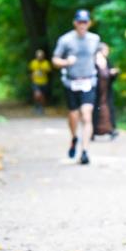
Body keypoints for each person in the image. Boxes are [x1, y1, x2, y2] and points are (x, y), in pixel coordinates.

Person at [52, 9, 101, 165]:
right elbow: (55, 60)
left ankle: (85, 151)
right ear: (75, 23)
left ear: (89, 23)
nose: (82, 25)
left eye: (85, 22)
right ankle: (74, 138)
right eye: (80, 22)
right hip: (71, 82)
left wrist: (101, 58)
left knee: (87, 115)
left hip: (89, 81)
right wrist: (66, 62)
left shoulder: (94, 39)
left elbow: (100, 51)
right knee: (74, 115)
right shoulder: (65, 40)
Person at [92, 42, 120, 140]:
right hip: (96, 91)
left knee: (108, 110)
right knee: (96, 111)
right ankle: (92, 131)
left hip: (106, 91)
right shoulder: (93, 61)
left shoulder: (107, 61)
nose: (107, 52)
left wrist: (113, 73)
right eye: (106, 50)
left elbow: (111, 74)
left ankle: (111, 130)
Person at [28, 49, 51, 114]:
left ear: (43, 56)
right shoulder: (33, 62)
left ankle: (41, 108)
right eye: (38, 56)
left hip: (44, 82)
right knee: (37, 94)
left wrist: (43, 70)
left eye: (41, 56)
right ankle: (36, 106)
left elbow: (49, 71)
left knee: (42, 96)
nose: (39, 57)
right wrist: (32, 76)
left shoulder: (46, 63)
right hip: (35, 82)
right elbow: (31, 72)